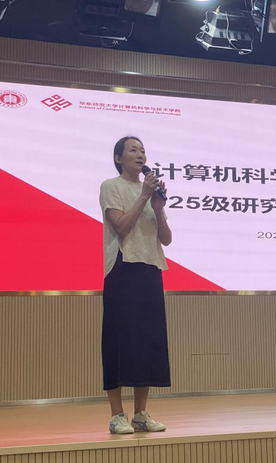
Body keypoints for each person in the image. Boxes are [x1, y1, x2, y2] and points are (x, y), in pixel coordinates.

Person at [99, 136, 172, 434]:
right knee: (118, 339)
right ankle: (117, 414)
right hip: (122, 268)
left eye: (143, 150)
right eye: (133, 150)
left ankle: (141, 413)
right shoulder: (111, 186)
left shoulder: (150, 193)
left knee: (148, 340)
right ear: (119, 158)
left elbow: (166, 239)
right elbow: (120, 226)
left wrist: (158, 206)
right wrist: (143, 197)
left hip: (150, 268)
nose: (140, 154)